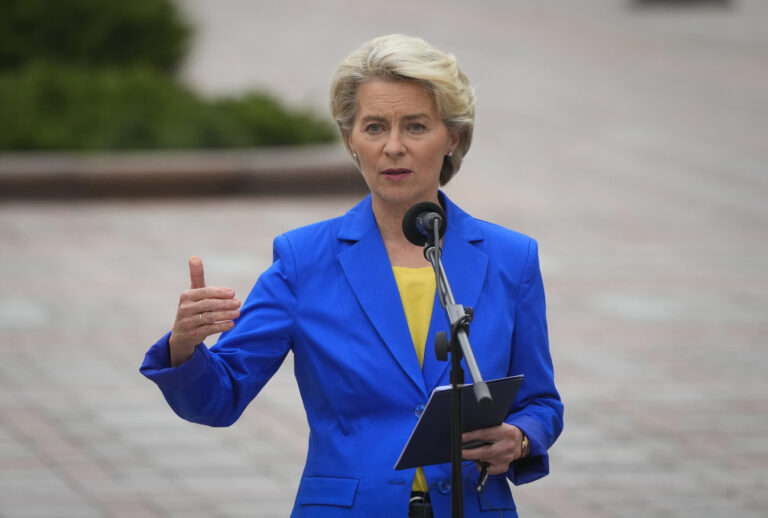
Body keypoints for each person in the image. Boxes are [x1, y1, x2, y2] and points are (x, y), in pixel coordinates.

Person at [141, 34, 563, 517]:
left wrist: (521, 437)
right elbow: (219, 398)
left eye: (417, 126)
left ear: (453, 137)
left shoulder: (512, 258)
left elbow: (542, 403)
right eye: (375, 126)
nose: (394, 147)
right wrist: (184, 348)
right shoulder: (303, 260)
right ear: (350, 139)